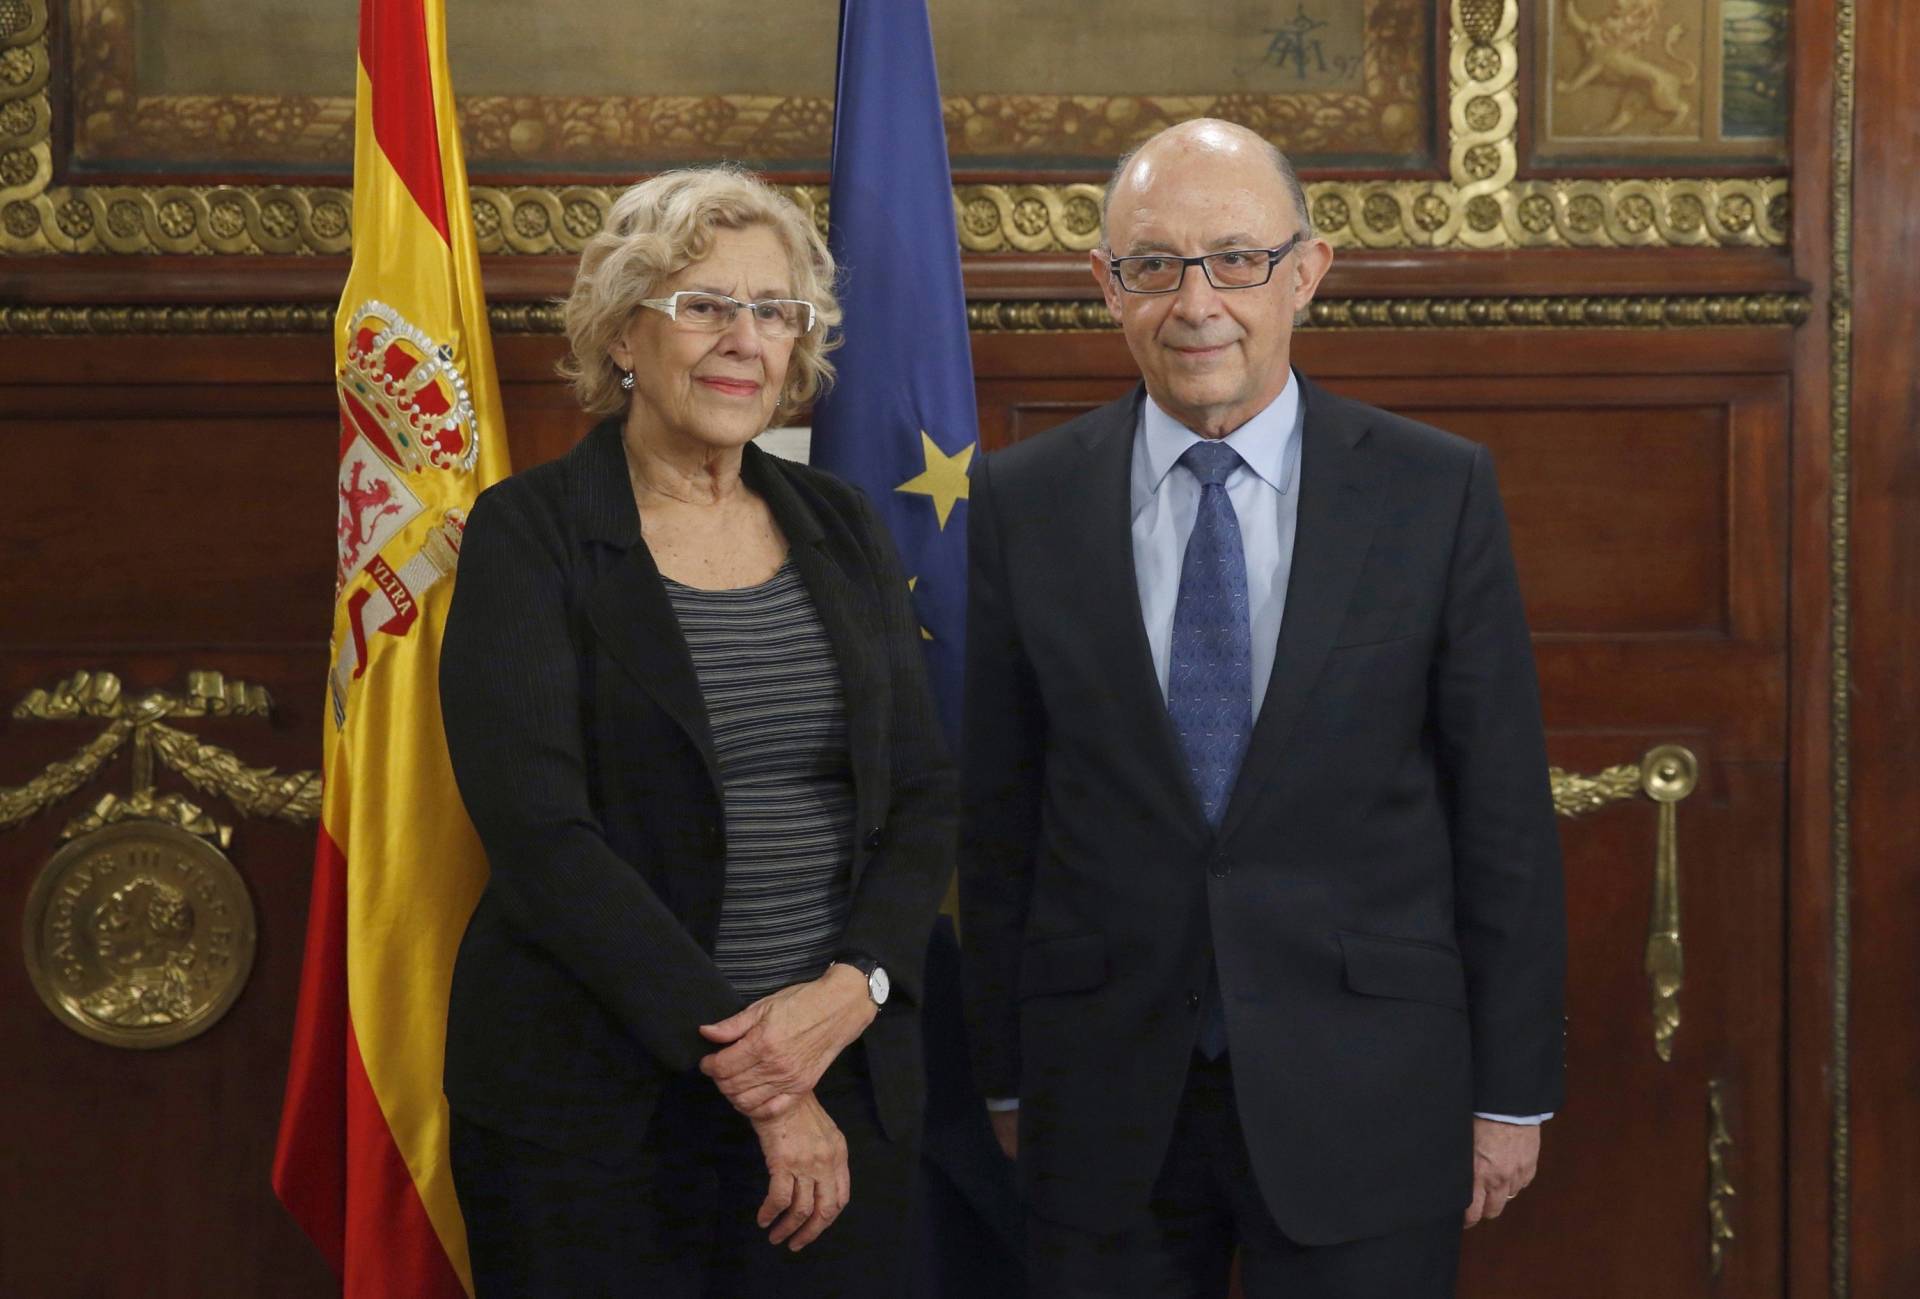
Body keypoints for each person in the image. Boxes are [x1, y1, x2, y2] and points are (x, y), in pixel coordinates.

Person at [959, 118, 1566, 1297]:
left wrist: (1510, 1091)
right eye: (1154, 265)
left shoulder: (1433, 490)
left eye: (1235, 258)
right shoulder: (1024, 498)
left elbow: (1500, 818)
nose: (1198, 303)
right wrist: (1005, 1077)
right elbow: (999, 814)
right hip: (1102, 1099)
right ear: (1106, 284)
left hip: (1371, 1095)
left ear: (1306, 271)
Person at [438, 166, 955, 1298]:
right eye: (704, 305)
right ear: (625, 334)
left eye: (774, 312)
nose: (744, 341)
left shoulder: (839, 523)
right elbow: (544, 841)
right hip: (595, 1113)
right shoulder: (531, 533)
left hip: (846, 1082)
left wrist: (851, 988)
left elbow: (920, 793)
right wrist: (768, 1080)